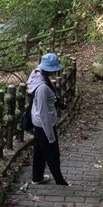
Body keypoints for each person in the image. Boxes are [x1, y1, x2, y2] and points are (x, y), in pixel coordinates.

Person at [27, 52, 69, 185]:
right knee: (52, 153)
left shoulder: (36, 74)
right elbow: (43, 113)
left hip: (37, 120)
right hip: (44, 124)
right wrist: (50, 135)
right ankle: (60, 181)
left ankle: (37, 177)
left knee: (39, 152)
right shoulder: (42, 88)